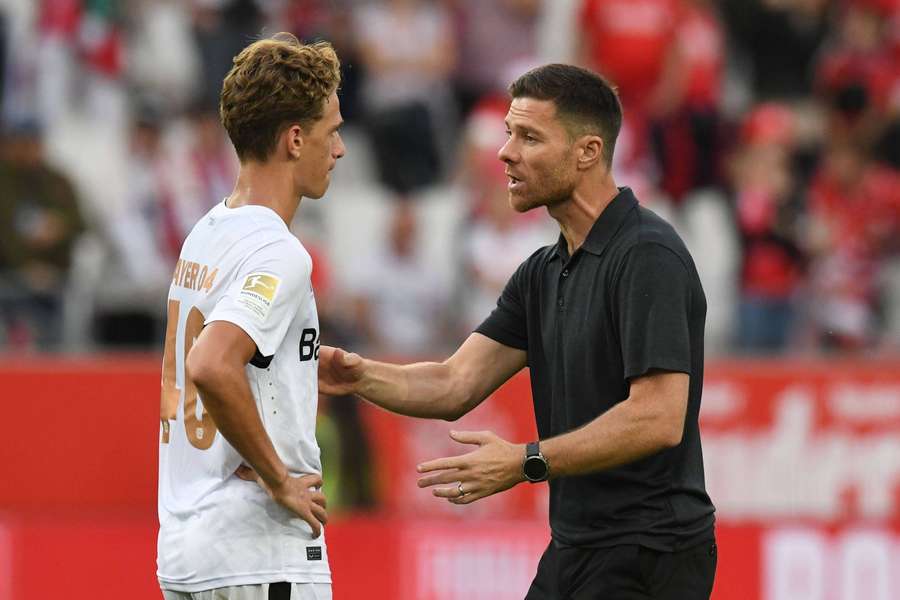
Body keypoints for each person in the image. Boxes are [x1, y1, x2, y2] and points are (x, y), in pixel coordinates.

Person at [320, 63, 716, 599]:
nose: (505, 152)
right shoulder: (542, 272)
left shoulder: (647, 254)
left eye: (528, 137)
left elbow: (659, 416)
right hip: (577, 549)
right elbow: (454, 383)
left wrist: (526, 460)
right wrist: (361, 375)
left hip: (652, 553)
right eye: (508, 133)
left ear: (588, 152)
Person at [157, 33, 344, 600]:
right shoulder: (279, 252)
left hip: (189, 548)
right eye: (331, 131)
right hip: (257, 554)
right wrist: (279, 479)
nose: (338, 150)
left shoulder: (208, 232)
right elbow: (212, 364)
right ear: (294, 139)